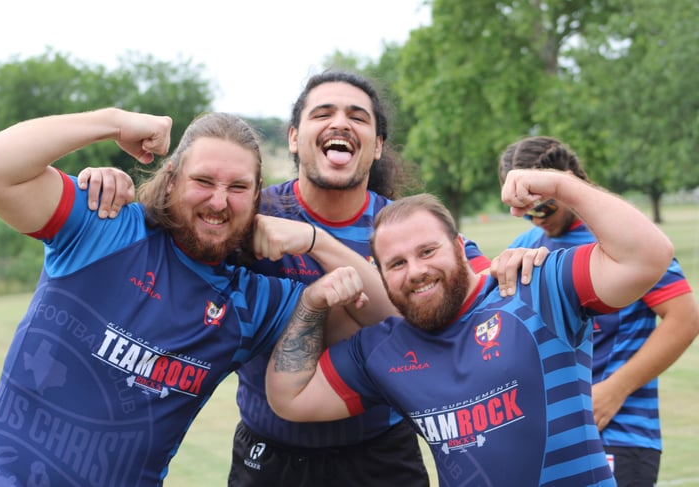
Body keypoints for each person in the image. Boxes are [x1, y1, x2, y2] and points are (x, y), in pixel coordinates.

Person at [79, 70, 547, 487]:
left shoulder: (404, 227)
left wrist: (513, 264)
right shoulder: (243, 210)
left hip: (382, 454)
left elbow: (481, 296)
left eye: (358, 116)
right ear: (295, 137)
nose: (341, 122)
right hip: (268, 454)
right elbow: (163, 230)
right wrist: (110, 185)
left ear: (378, 145)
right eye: (324, 113)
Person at [0, 107, 396, 487]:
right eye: (203, 181)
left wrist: (317, 240)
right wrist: (114, 121)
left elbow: (385, 326)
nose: (219, 202)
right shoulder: (103, 227)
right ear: (170, 180)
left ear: (258, 197)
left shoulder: (255, 304)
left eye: (239, 188)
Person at [264, 168, 676, 486]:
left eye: (428, 251)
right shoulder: (382, 350)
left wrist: (561, 185)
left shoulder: (534, 284)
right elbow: (290, 398)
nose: (417, 271)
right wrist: (312, 304)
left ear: (461, 248)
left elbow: (648, 257)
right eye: (397, 263)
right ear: (381, 276)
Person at [498, 136, 699, 486]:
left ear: (568, 180)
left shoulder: (625, 240)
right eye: (526, 211)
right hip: (550, 438)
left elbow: (686, 317)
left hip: (620, 431)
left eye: (543, 207)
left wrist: (614, 390)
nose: (535, 219)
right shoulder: (525, 246)